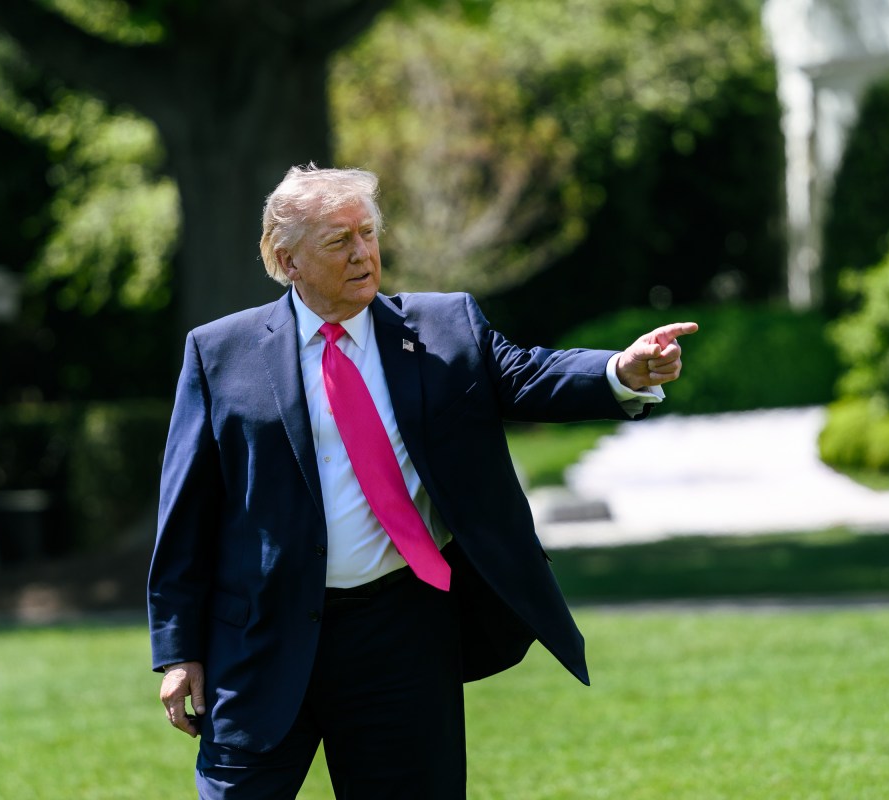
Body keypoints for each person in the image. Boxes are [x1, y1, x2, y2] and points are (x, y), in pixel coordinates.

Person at [148, 164, 698, 799]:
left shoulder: (444, 328)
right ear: (286, 259)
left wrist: (622, 370)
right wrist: (177, 649)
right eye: (338, 241)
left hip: (401, 633)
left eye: (368, 233)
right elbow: (186, 512)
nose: (363, 253)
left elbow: (529, 375)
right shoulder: (220, 353)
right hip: (260, 639)